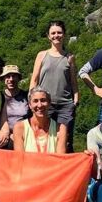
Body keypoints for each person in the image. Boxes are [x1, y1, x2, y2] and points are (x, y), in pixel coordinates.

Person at [30, 20, 79, 151]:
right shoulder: (42, 55)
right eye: (53, 33)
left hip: (65, 105)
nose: (56, 35)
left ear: (64, 34)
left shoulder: (69, 57)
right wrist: (32, 100)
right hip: (44, 104)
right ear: (48, 36)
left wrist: (75, 99)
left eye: (59, 32)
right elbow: (34, 80)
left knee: (66, 141)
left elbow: (73, 81)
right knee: (44, 138)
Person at [13, 87, 67, 154]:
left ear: (49, 103)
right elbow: (20, 158)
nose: (39, 105)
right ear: (30, 105)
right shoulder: (19, 128)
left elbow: (60, 158)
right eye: (35, 101)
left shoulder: (60, 129)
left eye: (43, 100)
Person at [0, 64, 28, 149]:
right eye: (8, 76)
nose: (11, 79)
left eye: (14, 76)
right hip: (4, 135)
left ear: (18, 78)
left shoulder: (26, 96)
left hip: (24, 134)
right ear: (3, 79)